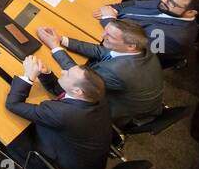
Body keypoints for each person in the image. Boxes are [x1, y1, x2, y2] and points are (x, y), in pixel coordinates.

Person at [35, 21, 163, 128]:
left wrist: (55, 47)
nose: (102, 36)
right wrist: (61, 40)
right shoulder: (141, 49)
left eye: (109, 36)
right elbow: (101, 51)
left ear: (130, 46)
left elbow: (79, 79)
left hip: (118, 113)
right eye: (105, 31)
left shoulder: (116, 71)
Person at [98, 0, 199, 61]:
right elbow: (134, 3)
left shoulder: (174, 38)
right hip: (110, 21)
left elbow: (131, 46)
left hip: (113, 46)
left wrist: (108, 18)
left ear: (190, 12)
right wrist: (112, 8)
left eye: (171, 2)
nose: (163, 0)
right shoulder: (167, 3)